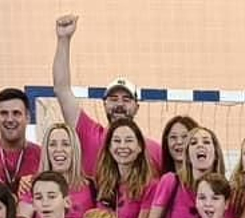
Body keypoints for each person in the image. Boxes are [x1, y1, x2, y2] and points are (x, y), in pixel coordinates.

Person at [51, 14, 163, 174]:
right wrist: (63, 40)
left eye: (126, 99)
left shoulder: (154, 150)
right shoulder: (89, 135)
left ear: (137, 107)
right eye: (113, 99)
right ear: (104, 104)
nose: (119, 104)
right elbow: (62, 89)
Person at [91, 118, 158, 218]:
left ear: (139, 147)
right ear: (109, 147)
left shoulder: (150, 186)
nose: (122, 146)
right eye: (117, 141)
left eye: (128, 140)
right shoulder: (103, 183)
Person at [17, 123, 95, 218]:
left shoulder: (92, 187)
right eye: (53, 144)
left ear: (74, 150)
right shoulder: (32, 184)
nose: (59, 150)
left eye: (65, 144)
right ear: (46, 150)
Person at [0, 87, 43, 188]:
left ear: (28, 117)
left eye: (16, 113)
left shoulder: (42, 156)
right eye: (4, 113)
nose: (10, 119)